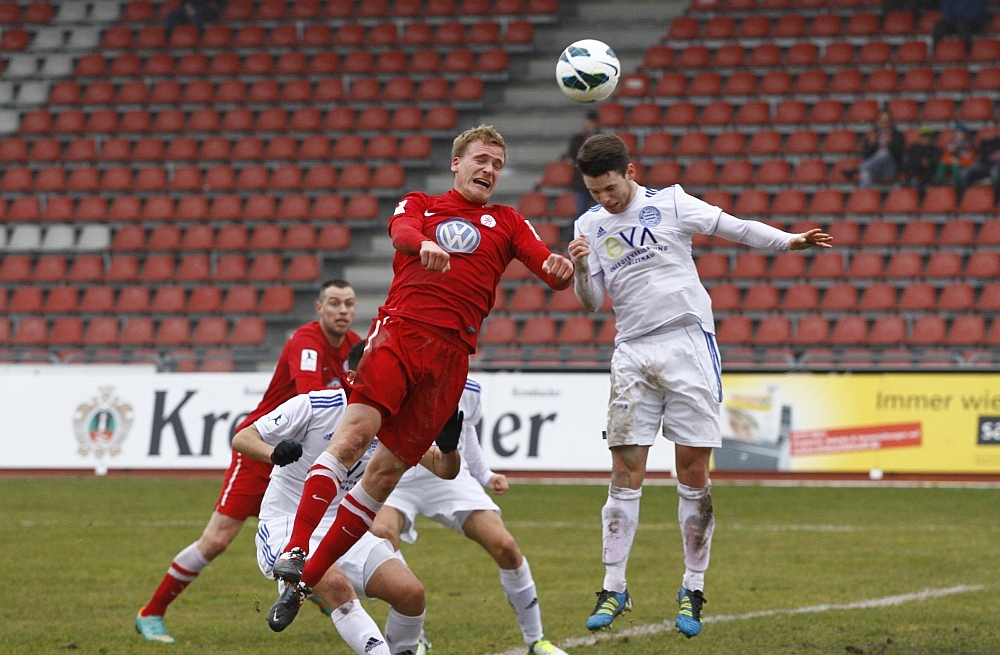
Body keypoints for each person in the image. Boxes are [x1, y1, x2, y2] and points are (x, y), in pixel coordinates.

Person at [263, 124, 575, 632]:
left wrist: (564, 268)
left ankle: (302, 581)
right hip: (400, 333)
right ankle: (297, 548)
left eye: (497, 163)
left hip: (451, 359)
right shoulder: (421, 205)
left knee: (381, 478)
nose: (488, 169)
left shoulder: (509, 221)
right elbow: (402, 234)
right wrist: (423, 246)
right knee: (354, 436)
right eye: (480, 159)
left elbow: (548, 268)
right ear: (457, 163)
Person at [566, 134, 831, 637]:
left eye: (611, 187)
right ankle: (614, 586)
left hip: (687, 342)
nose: (605, 199)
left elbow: (734, 228)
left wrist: (789, 240)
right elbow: (591, 302)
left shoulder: (669, 202)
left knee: (692, 470)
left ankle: (692, 588)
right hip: (633, 352)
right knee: (625, 469)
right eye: (595, 191)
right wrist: (581, 266)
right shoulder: (589, 225)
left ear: (631, 172)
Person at [134, 280, 361, 643]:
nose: (343, 311)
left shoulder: (354, 349)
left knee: (313, 534)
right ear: (319, 308)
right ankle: (151, 613)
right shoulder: (306, 343)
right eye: (334, 303)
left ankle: (315, 591)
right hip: (264, 450)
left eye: (349, 303)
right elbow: (309, 398)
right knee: (218, 539)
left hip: (306, 459)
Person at [232, 341, 463, 655]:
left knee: (411, 593)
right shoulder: (314, 406)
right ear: (354, 378)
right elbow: (242, 437)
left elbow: (444, 470)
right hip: (285, 524)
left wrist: (450, 449)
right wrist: (273, 453)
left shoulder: (394, 421)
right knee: (338, 587)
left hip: (344, 528)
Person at [371, 378, 567, 655]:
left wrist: (485, 474)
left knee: (506, 547)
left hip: (449, 476)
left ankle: (537, 640)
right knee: (382, 534)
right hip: (398, 475)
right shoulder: (397, 376)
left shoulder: (468, 387)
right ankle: (416, 637)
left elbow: (467, 431)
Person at [856, 110, 905, 188]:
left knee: (885, 152)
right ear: (878, 121)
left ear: (891, 121)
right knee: (865, 174)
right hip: (876, 168)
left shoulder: (897, 135)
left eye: (886, 121)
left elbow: (899, 155)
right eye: (882, 121)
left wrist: (891, 145)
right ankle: (863, 199)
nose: (884, 123)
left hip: (890, 169)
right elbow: (866, 155)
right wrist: (871, 144)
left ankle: (858, 169)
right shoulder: (873, 134)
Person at [568, 110, 601, 216]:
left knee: (599, 210)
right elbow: (573, 154)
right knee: (581, 210)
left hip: (598, 180)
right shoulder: (578, 138)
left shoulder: (602, 138)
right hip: (582, 180)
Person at [958, 120, 1000, 200]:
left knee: (995, 172)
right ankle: (961, 200)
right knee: (964, 172)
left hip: (997, 167)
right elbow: (981, 152)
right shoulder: (991, 141)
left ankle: (997, 201)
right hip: (986, 165)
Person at [902, 125, 942, 192]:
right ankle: (913, 182)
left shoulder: (935, 150)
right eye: (923, 136)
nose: (926, 139)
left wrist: (929, 163)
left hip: (928, 176)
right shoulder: (914, 148)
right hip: (914, 173)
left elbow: (936, 162)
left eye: (928, 136)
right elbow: (910, 161)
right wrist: (920, 162)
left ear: (931, 138)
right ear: (920, 137)